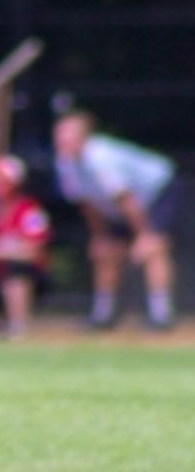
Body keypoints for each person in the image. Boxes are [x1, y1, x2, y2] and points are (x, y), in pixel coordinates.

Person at [53, 110, 179, 331]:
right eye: (59, 135)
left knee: (154, 249)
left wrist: (144, 235)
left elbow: (128, 200)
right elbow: (87, 204)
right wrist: (100, 237)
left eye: (68, 135)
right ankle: (103, 316)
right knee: (106, 252)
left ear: (85, 137)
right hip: (117, 205)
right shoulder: (65, 162)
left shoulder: (101, 158)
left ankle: (161, 315)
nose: (62, 141)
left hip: (155, 193)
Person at [0, 155, 51, 338]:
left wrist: (7, 251)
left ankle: (18, 326)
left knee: (15, 271)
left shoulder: (29, 210)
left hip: (30, 276)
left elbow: (37, 249)